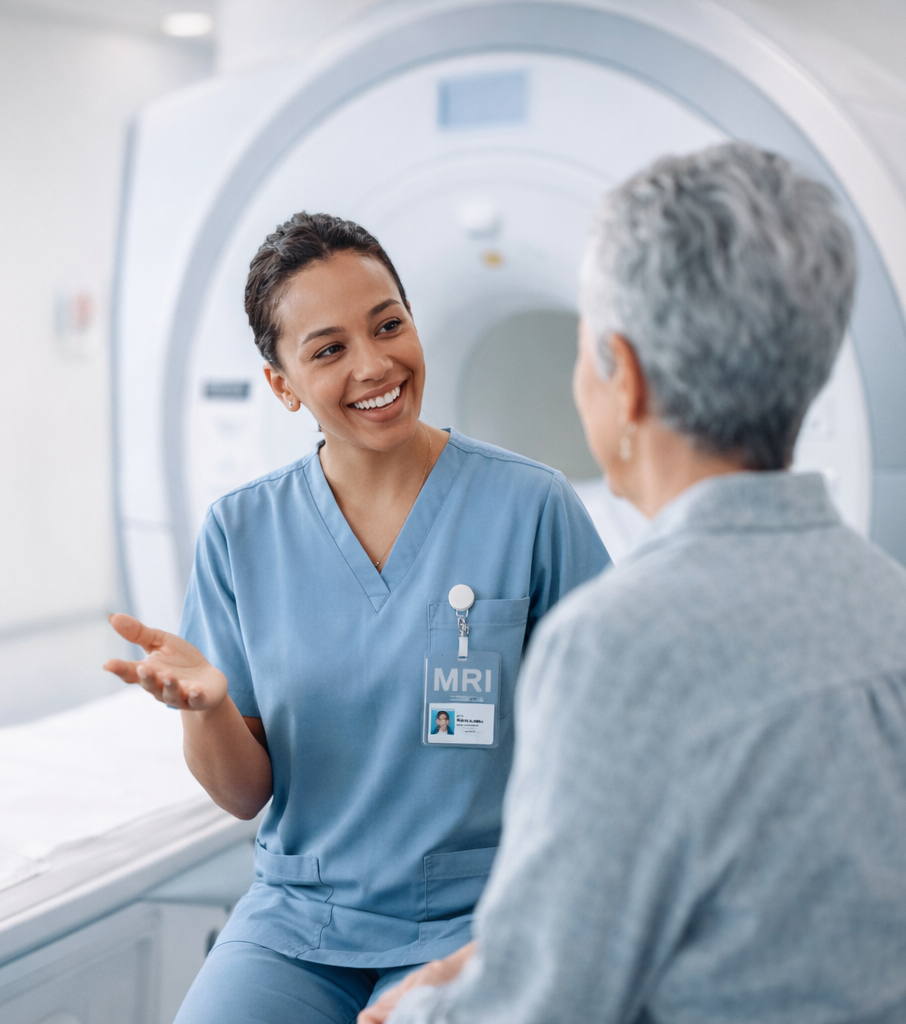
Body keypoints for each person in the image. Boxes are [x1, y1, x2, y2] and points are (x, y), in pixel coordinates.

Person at [365, 142, 906, 1024]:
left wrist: (412, 1013)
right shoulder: (892, 601)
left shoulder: (617, 642)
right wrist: (494, 961)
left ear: (628, 378)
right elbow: (771, 923)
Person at [103, 212, 610, 1024]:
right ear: (282, 383)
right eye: (329, 349)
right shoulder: (240, 532)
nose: (376, 365)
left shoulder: (531, 507)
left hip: (483, 912)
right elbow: (244, 794)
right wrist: (204, 714)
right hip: (300, 923)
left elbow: (612, 754)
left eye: (389, 326)